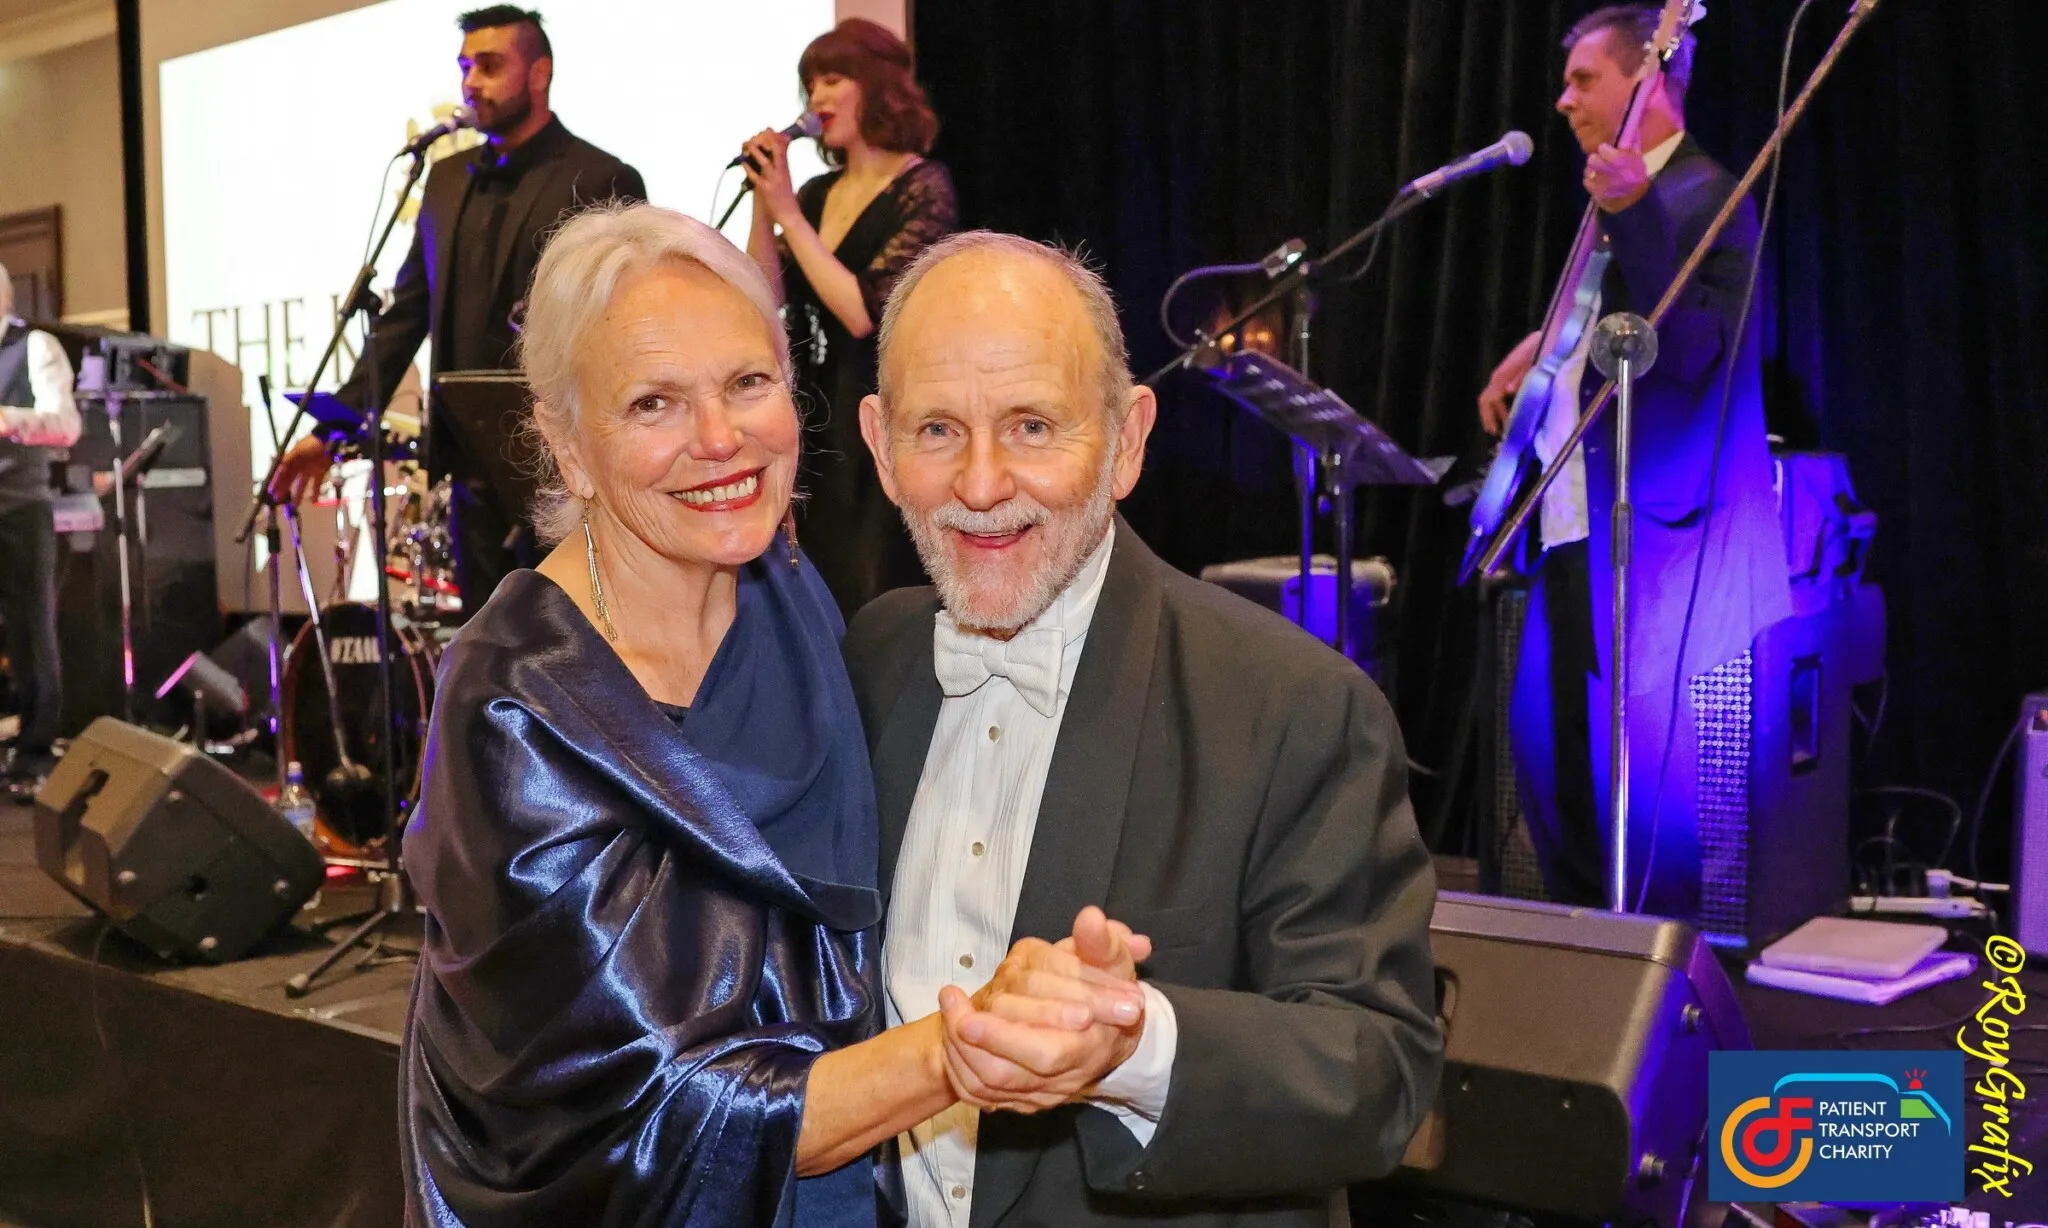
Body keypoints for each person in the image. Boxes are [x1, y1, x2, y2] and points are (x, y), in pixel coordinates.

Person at [401, 203, 1178, 1226]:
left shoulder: (786, 594)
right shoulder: (521, 707)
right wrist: (961, 1047)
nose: (720, 438)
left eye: (747, 383)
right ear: (567, 444)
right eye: (653, 403)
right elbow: (650, 1123)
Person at [846, 231, 1443, 1228]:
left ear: (1125, 440)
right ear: (880, 446)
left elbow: (1381, 1073)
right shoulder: (869, 659)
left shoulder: (1295, 707)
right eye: (938, 429)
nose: (981, 485)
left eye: (1032, 425)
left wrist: (1135, 1046)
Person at [1474, 5, 1790, 913]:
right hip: (1570, 525)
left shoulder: (1708, 195)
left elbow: (1685, 350)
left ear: (1648, 81)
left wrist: (1635, 212)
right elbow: (1603, 326)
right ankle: (1585, 956)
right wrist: (1543, 351)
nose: (1565, 100)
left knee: (1645, 790)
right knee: (1548, 760)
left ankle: (1652, 972)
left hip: (1651, 537)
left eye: (1584, 79)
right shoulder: (1619, 205)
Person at [269, 4, 644, 611]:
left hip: (563, 472)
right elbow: (404, 318)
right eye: (466, 67)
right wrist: (332, 429)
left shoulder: (599, 177)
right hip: (470, 471)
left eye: (490, 66)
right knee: (487, 641)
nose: (471, 83)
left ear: (539, 73)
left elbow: (621, 330)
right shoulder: (445, 180)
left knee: (576, 638)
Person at [742, 17, 957, 617]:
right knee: (809, 585)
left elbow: (864, 313)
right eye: (811, 83)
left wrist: (788, 212)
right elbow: (763, 292)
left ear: (877, 86)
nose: (817, 97)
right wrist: (765, 204)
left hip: (873, 415)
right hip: (810, 412)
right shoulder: (815, 194)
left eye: (833, 79)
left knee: (867, 585)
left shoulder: (922, 185)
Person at [0, 266, 81, 802]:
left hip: (19, 507)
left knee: (31, 630)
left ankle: (35, 750)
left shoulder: (34, 347)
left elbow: (65, 426)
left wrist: (7, 418)